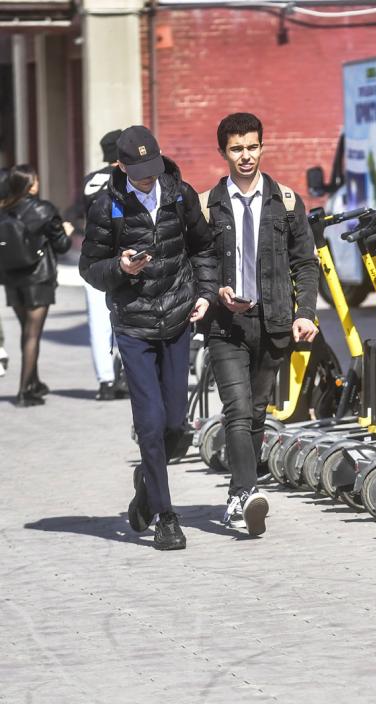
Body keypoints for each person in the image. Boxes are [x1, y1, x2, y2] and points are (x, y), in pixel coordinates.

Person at [80, 125, 217, 551]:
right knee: (151, 424)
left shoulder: (180, 194)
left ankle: (146, 486)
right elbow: (90, 268)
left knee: (176, 426)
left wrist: (206, 293)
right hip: (134, 326)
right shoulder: (106, 206)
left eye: (152, 168)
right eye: (138, 172)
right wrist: (120, 268)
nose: (147, 178)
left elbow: (203, 248)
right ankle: (165, 517)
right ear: (120, 166)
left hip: (177, 319)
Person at [200, 112, 319, 537]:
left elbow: (306, 263)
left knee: (254, 412)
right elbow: (199, 262)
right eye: (237, 149)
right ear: (223, 152)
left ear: (262, 147)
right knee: (236, 409)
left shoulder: (285, 202)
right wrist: (214, 291)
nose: (246, 156)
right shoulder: (207, 206)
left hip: (274, 322)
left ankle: (238, 493)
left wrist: (305, 312)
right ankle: (249, 493)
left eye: (252, 147)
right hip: (226, 324)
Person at [0, 164, 73, 406]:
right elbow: (62, 246)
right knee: (32, 335)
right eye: (35, 180)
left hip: (12, 278)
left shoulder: (4, 209)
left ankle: (34, 382)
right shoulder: (44, 209)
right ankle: (24, 392)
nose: (38, 184)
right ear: (30, 185)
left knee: (27, 332)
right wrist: (66, 231)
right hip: (37, 278)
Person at [82, 130, 127, 400]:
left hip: (93, 258)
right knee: (128, 320)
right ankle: (128, 376)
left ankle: (106, 382)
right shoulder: (126, 177)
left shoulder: (90, 180)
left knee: (98, 325)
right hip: (123, 259)